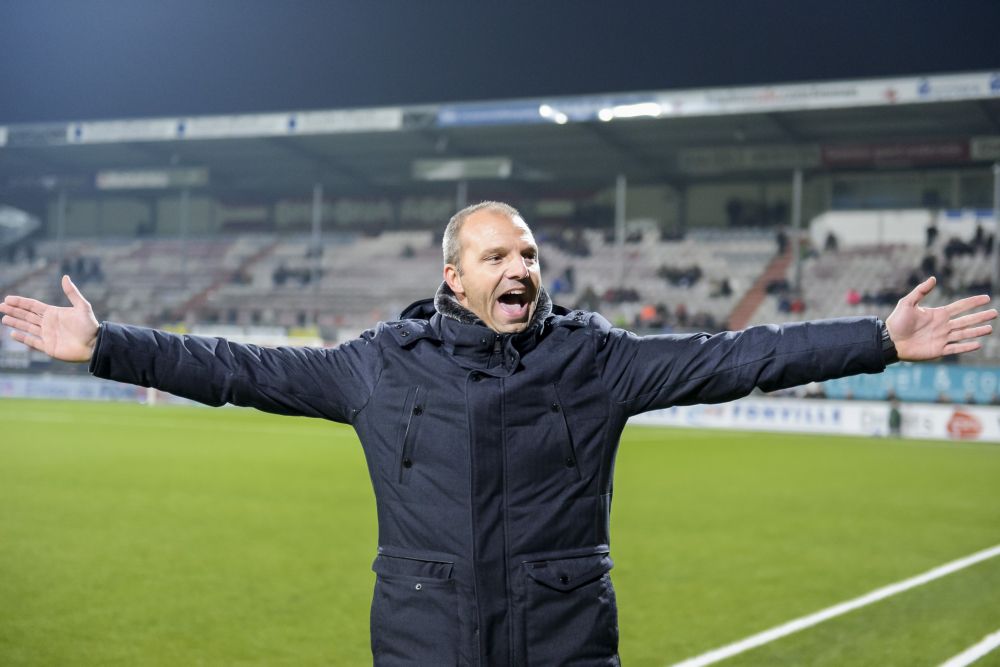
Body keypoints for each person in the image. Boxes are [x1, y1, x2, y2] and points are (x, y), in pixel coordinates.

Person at [1, 201, 996, 666]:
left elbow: (737, 357)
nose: (520, 263)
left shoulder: (596, 360)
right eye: (496, 252)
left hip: (564, 645)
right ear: (453, 276)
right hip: (424, 645)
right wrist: (106, 349)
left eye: (528, 250)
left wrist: (874, 338)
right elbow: (238, 371)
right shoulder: (377, 366)